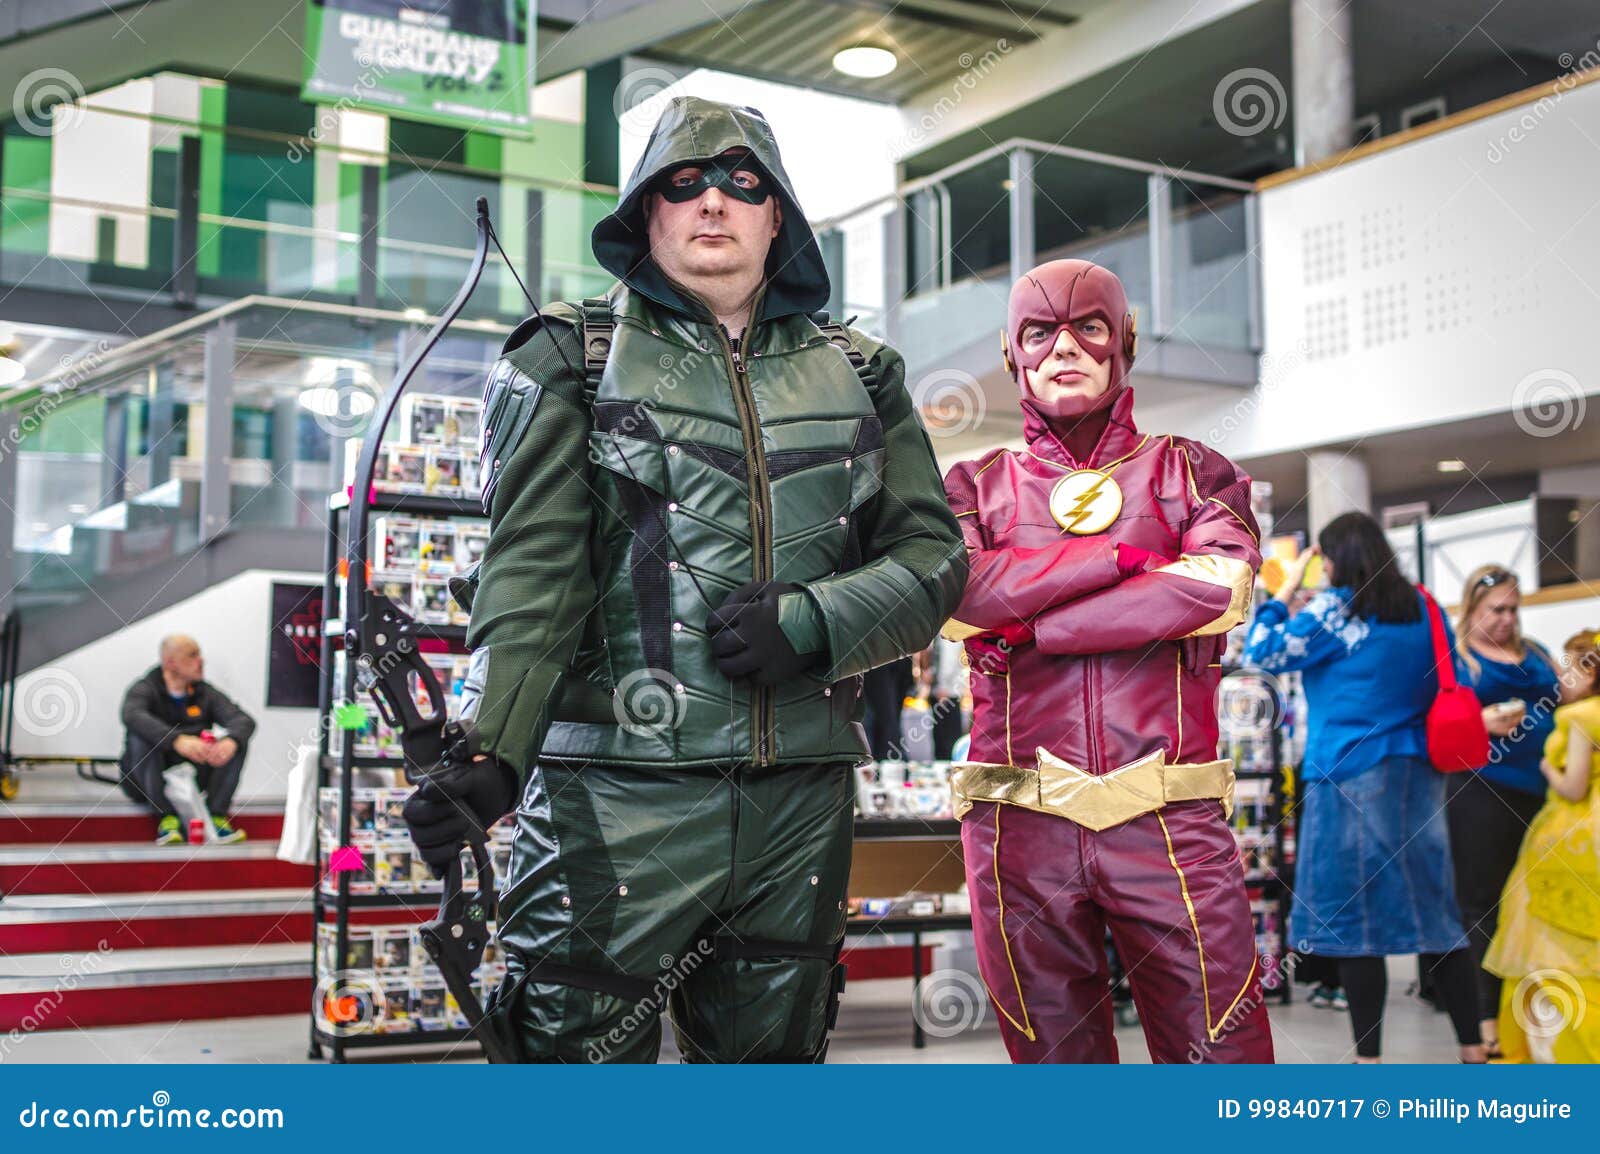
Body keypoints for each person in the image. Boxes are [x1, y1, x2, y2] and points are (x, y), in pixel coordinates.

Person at [402, 96, 966, 1063]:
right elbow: (532, 573)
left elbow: (935, 560)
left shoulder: (864, 373)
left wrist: (822, 620)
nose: (714, 202)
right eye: (684, 182)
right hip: (613, 805)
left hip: (801, 801)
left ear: (775, 213)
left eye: (743, 183)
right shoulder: (570, 357)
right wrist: (492, 747)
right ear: (646, 210)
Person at [941, 258, 1273, 1063]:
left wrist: (1036, 628)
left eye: (1087, 327)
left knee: (1223, 1067)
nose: (1064, 347)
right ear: (1011, 349)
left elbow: (1215, 590)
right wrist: (1122, 563)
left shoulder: (1195, 471)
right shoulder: (971, 486)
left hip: (1170, 818)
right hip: (1019, 829)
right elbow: (962, 598)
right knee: (1059, 1078)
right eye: (1039, 331)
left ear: (1121, 340)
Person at [1242, 512, 1483, 1062]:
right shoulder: (1423, 604)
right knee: (1435, 913)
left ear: (1337, 559)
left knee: (1353, 919)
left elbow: (1261, 651)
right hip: (1418, 779)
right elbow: (1458, 680)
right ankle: (1473, 1048)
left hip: (1347, 776)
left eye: (1324, 557)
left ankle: (1368, 1060)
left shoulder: (1336, 609)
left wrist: (1280, 593)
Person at [1447, 564, 1562, 1058]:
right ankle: (1486, 1019)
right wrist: (1480, 720)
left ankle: (1534, 1012)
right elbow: (1437, 722)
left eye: (1514, 609)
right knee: (1484, 906)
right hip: (1481, 790)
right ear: (1472, 608)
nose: (1507, 619)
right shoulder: (1459, 659)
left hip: (1544, 793)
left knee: (1536, 902)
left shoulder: (1534, 653)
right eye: (1496, 609)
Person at [1483, 628, 1600, 1062]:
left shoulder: (1577, 719)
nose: (1561, 679)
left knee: (1546, 919)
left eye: (1569, 670)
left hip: (1573, 828)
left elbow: (1572, 788)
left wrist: (1547, 767)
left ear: (1589, 674)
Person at [120, 634, 255, 845]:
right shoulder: (145, 688)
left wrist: (231, 741)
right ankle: (167, 819)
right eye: (192, 655)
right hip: (148, 779)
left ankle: (216, 816)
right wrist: (176, 740)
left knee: (236, 741)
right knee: (140, 737)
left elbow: (243, 720)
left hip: (193, 772)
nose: (201, 661)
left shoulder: (205, 692)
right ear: (170, 662)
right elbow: (131, 715)